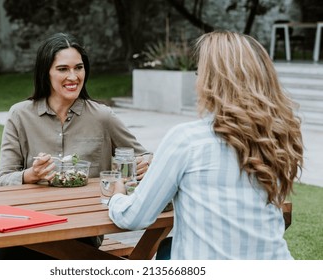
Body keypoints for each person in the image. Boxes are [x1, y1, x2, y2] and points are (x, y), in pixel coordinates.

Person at [108, 30, 303, 260]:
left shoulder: (187, 140)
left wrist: (117, 196)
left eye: (199, 72)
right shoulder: (276, 138)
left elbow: (134, 217)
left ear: (212, 80)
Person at [0, 32, 151, 260]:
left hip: (84, 227)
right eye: (63, 69)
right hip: (27, 223)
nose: (73, 76)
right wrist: (30, 175)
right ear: (46, 73)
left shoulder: (103, 116)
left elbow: (145, 156)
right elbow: (1, 179)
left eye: (78, 68)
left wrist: (145, 164)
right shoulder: (20, 115)